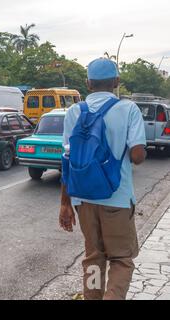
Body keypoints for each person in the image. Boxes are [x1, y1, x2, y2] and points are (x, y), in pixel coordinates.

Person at [59, 58, 147, 300]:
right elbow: (138, 156)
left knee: (94, 258)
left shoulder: (74, 111)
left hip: (83, 200)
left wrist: (65, 203)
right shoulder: (128, 109)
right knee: (121, 259)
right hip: (117, 199)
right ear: (116, 82)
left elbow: (67, 160)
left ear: (88, 83)